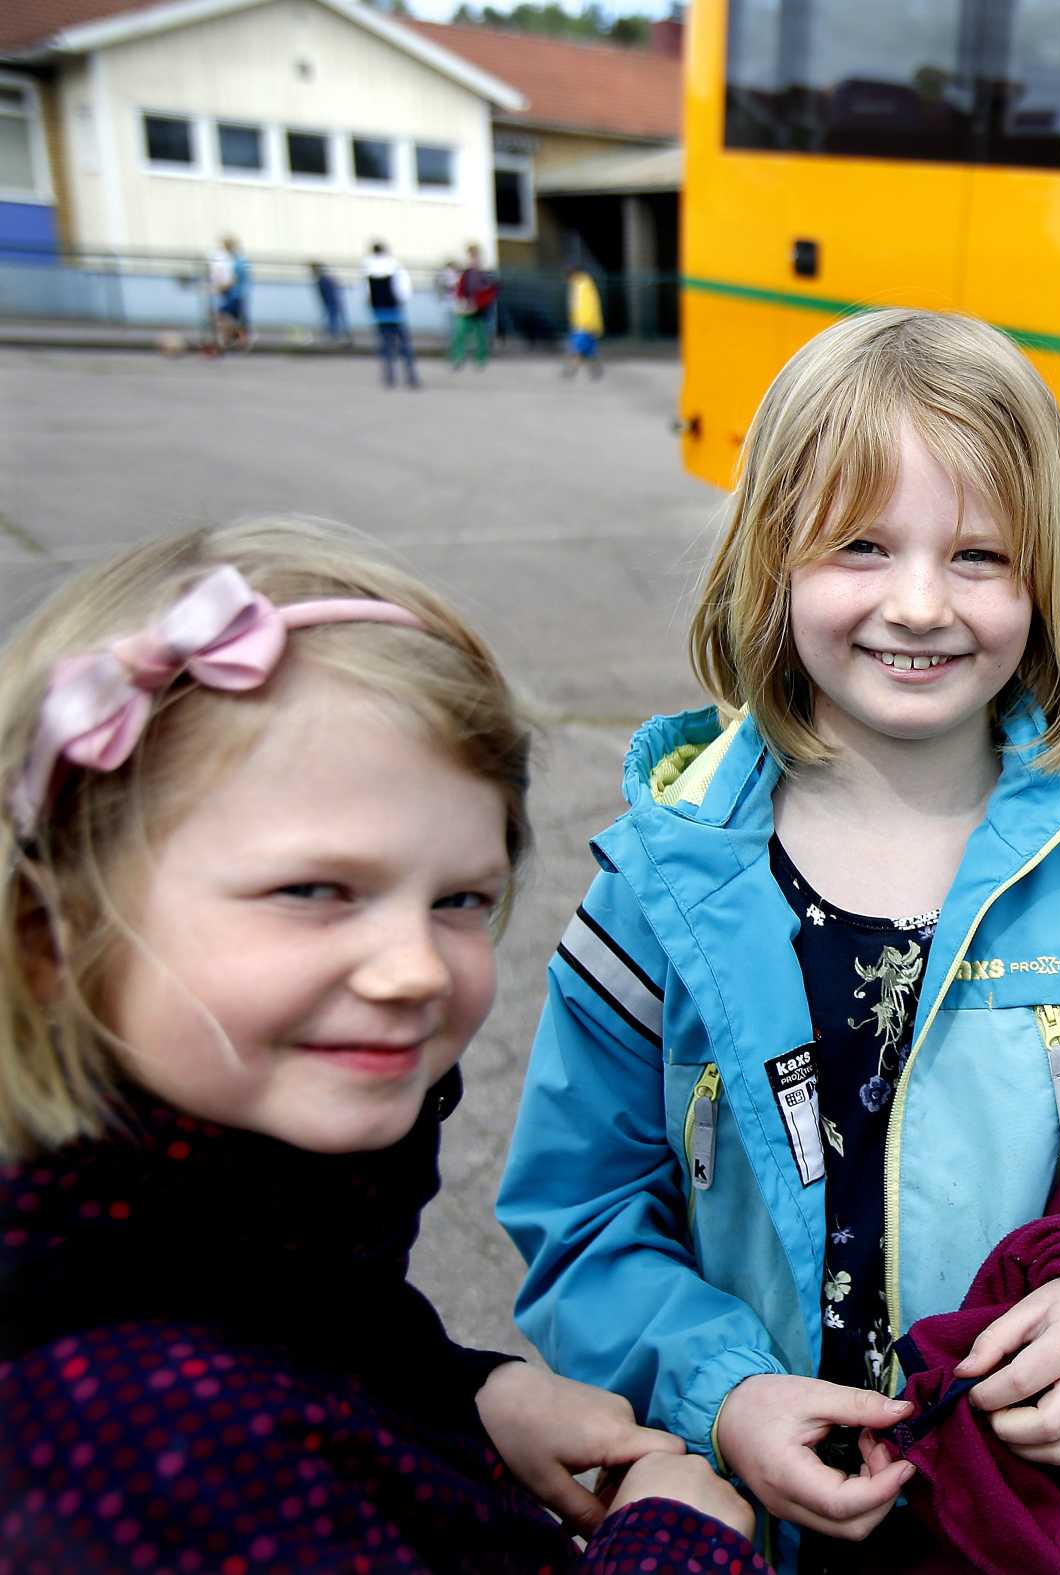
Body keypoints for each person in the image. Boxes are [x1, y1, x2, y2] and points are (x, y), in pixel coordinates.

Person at [496, 308, 1060, 1569]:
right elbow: (582, 1212)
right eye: (862, 545)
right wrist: (720, 1391)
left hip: (1025, 1526)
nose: (919, 605)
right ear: (769, 559)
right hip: (746, 1518)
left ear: (1047, 577)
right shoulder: (659, 889)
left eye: (980, 554)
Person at [0, 519, 760, 1569]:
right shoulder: (150, 1452)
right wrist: (676, 1547)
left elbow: (303, 1330)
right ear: (55, 937)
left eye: (459, 898)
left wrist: (466, 1396)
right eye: (314, 891)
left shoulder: (218, 1226)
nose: (412, 967)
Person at [364, 239, 421, 390]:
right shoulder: (394, 265)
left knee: (385, 346)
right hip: (395, 312)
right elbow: (404, 291)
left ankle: (389, 378)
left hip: (379, 313)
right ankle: (411, 378)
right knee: (405, 346)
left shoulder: (369, 267)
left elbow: (366, 293)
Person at [449, 243, 496, 370]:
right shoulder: (466, 274)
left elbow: (491, 292)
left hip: (480, 311)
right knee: (460, 334)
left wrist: (479, 303)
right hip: (467, 309)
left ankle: (480, 361)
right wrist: (462, 301)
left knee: (481, 337)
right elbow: (460, 290)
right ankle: (458, 358)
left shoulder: (485, 274)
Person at [206, 234, 250, 354]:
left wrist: (221, 287)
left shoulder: (237, 260)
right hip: (231, 294)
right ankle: (235, 339)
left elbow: (234, 279)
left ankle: (231, 340)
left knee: (224, 317)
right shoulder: (230, 259)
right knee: (229, 318)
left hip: (235, 294)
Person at [565, 265, 605, 380]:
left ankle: (571, 371)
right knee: (590, 350)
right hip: (588, 323)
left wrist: (583, 323)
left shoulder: (581, 286)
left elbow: (583, 307)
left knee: (577, 348)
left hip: (583, 324)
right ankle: (597, 371)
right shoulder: (584, 284)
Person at [311, 259, 351, 346]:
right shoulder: (325, 279)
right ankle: (340, 336)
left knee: (334, 320)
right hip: (332, 302)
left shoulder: (324, 279)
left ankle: (337, 336)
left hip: (332, 302)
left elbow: (329, 291)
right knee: (336, 319)